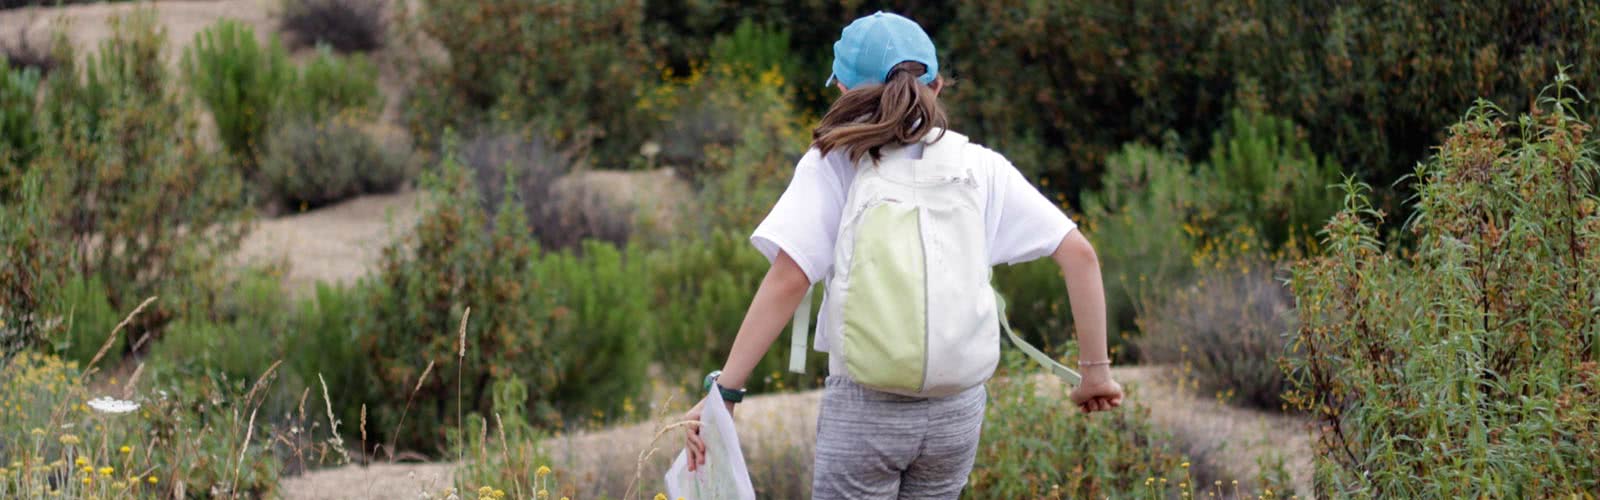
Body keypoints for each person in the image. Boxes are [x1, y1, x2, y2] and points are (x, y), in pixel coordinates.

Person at [683, 11, 1124, 499]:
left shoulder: (835, 164)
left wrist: (724, 393)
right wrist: (1094, 375)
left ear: (844, 92)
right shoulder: (979, 166)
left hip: (866, 406)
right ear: (937, 86)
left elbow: (790, 279)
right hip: (956, 411)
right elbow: (1079, 254)